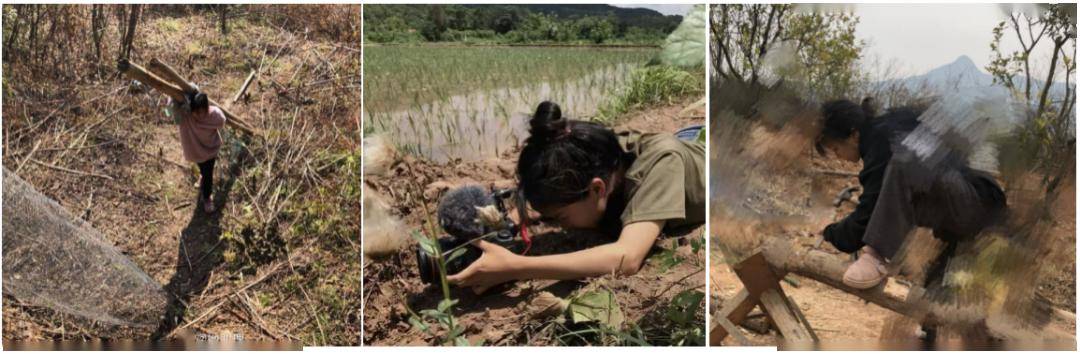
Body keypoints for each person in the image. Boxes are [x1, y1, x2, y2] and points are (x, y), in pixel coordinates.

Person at [447, 101, 705, 293]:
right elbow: (546, 193)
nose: (556, 223)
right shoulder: (586, 150)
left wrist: (515, 266)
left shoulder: (662, 165)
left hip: (706, 157)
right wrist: (505, 227)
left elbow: (627, 257)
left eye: (559, 217)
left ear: (596, 190)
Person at [815, 99, 1006, 290]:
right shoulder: (884, 135)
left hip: (975, 204)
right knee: (937, 301)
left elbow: (870, 211)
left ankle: (877, 256)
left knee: (906, 161)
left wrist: (832, 232)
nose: (838, 156)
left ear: (853, 134)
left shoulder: (885, 141)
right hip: (964, 217)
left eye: (835, 149)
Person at [169, 91, 227, 214]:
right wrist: (183, 94)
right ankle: (202, 177)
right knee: (202, 168)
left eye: (202, 111)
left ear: (207, 107)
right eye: (196, 112)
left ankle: (207, 198)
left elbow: (222, 121)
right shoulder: (186, 116)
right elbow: (170, 109)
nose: (199, 115)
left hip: (211, 150)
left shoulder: (215, 115)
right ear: (191, 109)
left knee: (208, 174)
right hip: (195, 151)